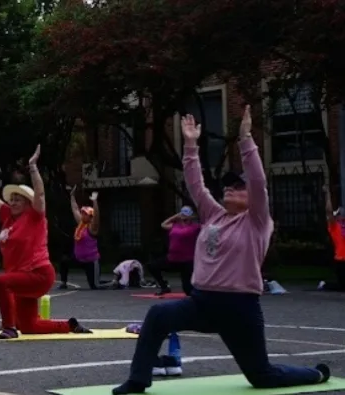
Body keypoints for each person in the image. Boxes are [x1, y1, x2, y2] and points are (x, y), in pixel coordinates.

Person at [111, 106, 331, 394]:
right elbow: (195, 184)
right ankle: (138, 380)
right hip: (202, 302)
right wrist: (190, 144)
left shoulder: (257, 220)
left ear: (251, 196)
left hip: (239, 308)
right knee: (157, 315)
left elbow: (258, 181)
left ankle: (315, 375)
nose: (229, 189)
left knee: (261, 376)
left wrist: (245, 139)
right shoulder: (213, 214)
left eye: (238, 187)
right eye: (227, 186)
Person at [0, 145, 93, 340]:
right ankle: (70, 325)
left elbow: (41, 195)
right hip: (21, 277)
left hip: (38, 274)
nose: (13, 202)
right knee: (28, 326)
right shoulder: (6, 217)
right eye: (11, 199)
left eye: (18, 199)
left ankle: (8, 328)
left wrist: (33, 166)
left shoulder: (34, 216)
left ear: (28, 203)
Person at [146, 206, 199, 296]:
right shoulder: (175, 225)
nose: (183, 217)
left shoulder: (195, 227)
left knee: (187, 290)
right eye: (182, 214)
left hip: (187, 261)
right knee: (152, 266)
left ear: (191, 217)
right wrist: (176, 216)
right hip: (172, 259)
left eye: (186, 215)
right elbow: (163, 224)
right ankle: (164, 287)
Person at [59, 188, 101, 289]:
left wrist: (94, 201)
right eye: (82, 213)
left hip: (91, 261)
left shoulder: (92, 228)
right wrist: (72, 196)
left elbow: (97, 217)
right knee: (64, 260)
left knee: (95, 286)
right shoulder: (81, 224)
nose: (82, 215)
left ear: (91, 216)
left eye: (85, 214)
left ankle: (115, 282)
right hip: (78, 259)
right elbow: (75, 209)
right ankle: (63, 283)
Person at [319, 185, 345, 291]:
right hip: (341, 261)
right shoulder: (335, 227)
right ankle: (324, 285)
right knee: (342, 286)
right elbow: (329, 211)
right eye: (339, 214)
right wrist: (327, 194)